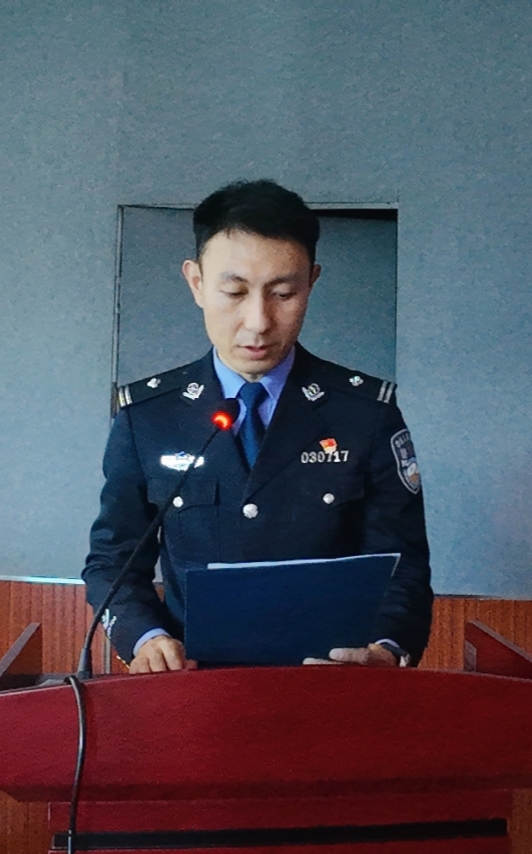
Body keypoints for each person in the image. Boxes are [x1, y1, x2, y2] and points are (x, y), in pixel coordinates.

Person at [83, 179, 433, 674]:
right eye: (234, 292)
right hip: (193, 684)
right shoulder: (149, 417)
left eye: (283, 293)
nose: (258, 322)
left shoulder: (364, 414)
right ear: (196, 283)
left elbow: (403, 565)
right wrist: (146, 637)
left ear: (311, 282)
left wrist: (387, 648)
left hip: (329, 683)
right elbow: (113, 560)